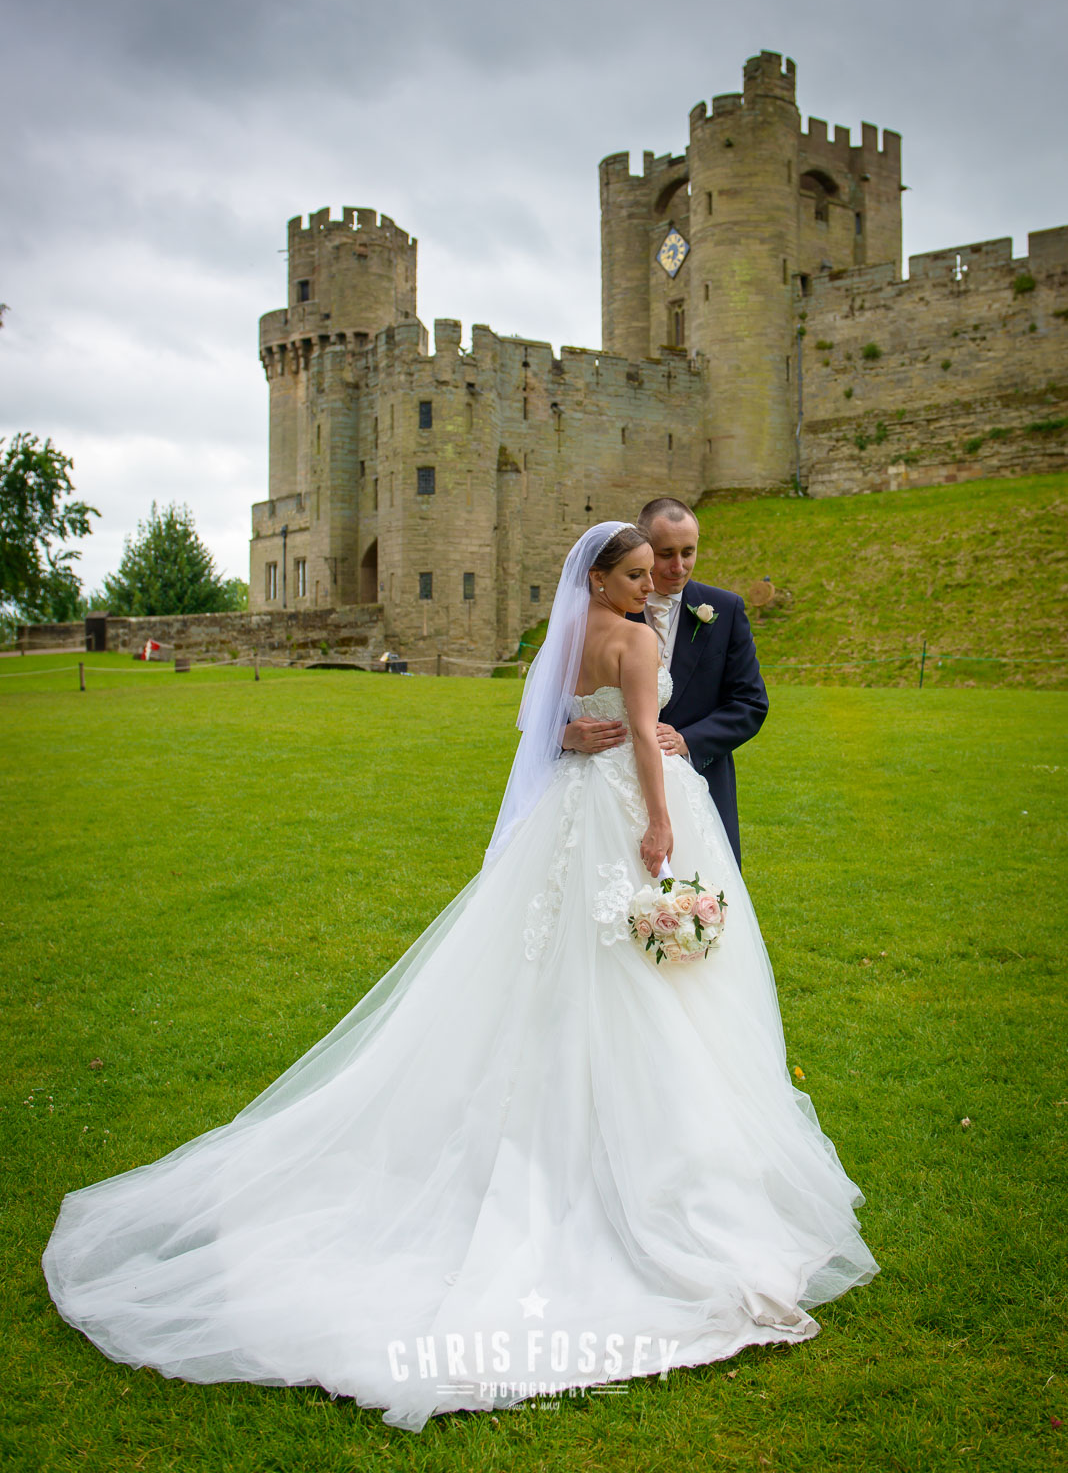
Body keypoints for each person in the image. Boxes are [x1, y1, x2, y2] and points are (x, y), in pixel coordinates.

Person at [42, 521, 878, 1434]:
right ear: (601, 579)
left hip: (571, 818)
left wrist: (577, 736)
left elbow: (550, 729)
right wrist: (659, 829)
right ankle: (645, 1172)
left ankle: (590, 1132)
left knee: (571, 972)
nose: (655, 587)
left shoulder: (568, 638)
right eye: (638, 574)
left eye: (655, 574)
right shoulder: (634, 639)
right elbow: (645, 732)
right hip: (635, 811)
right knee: (645, 978)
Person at [563, 498, 766, 867]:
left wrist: (689, 740)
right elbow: (550, 699)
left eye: (689, 552)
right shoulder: (600, 618)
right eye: (665, 554)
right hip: (604, 792)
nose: (678, 566)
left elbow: (749, 703)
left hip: (700, 784)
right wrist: (566, 734)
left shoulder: (725, 608)